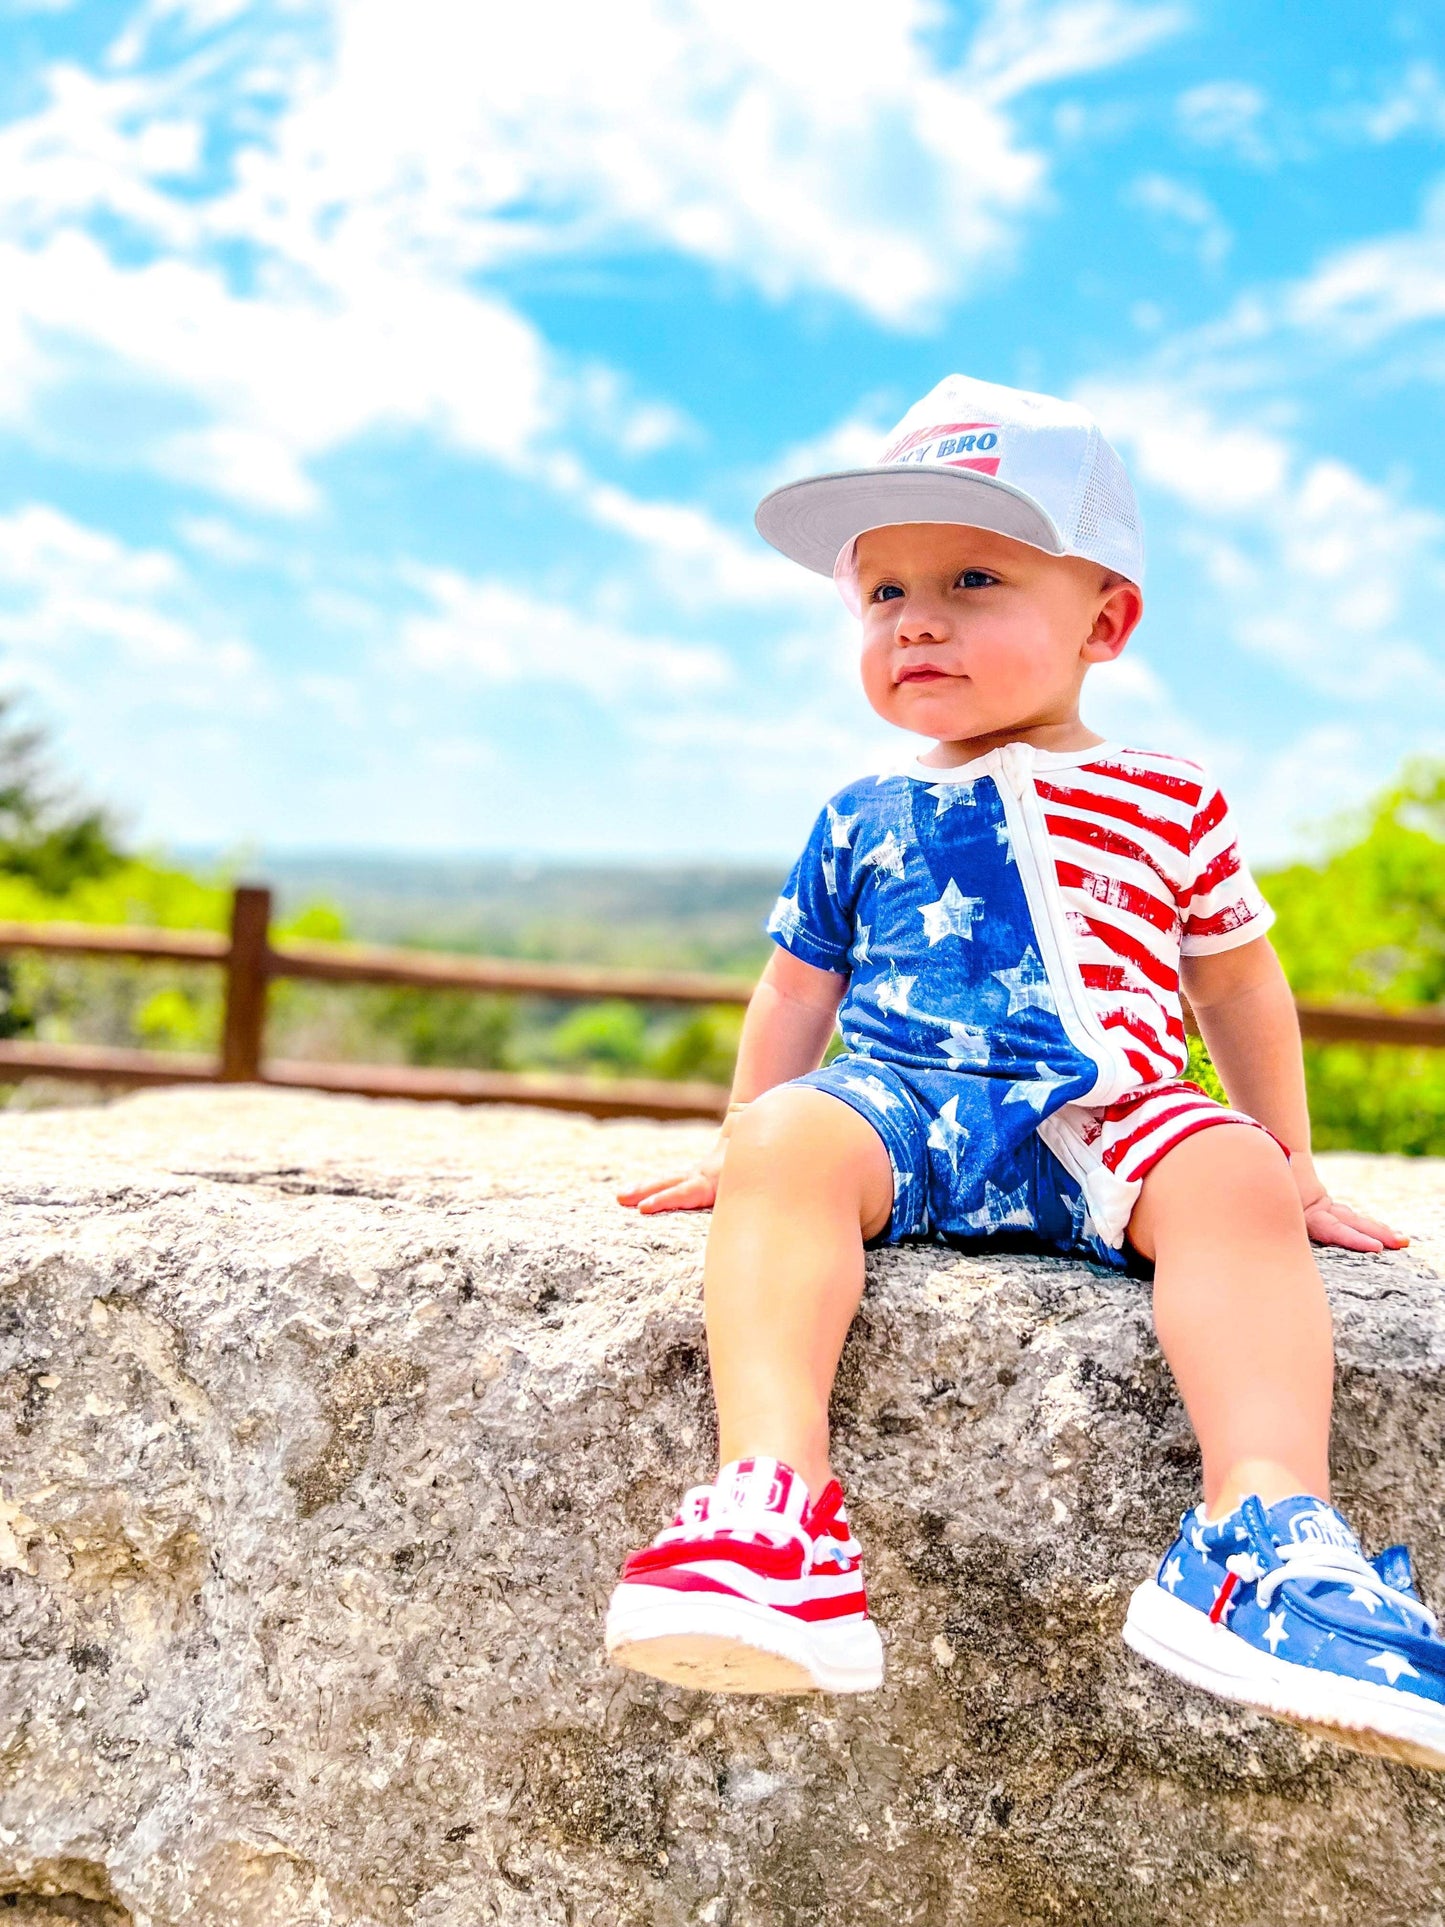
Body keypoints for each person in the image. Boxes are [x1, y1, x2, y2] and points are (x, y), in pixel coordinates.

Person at [602, 373, 1445, 1770]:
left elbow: (1233, 978)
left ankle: (1263, 1543)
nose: (914, 618)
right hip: (900, 1106)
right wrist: (747, 1134)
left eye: (973, 577)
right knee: (789, 1148)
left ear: (1103, 619)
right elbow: (795, 983)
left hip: (1105, 1113)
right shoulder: (859, 808)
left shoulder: (1166, 793)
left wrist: (1284, 1157)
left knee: (1226, 1171)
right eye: (879, 595)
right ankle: (771, 1509)